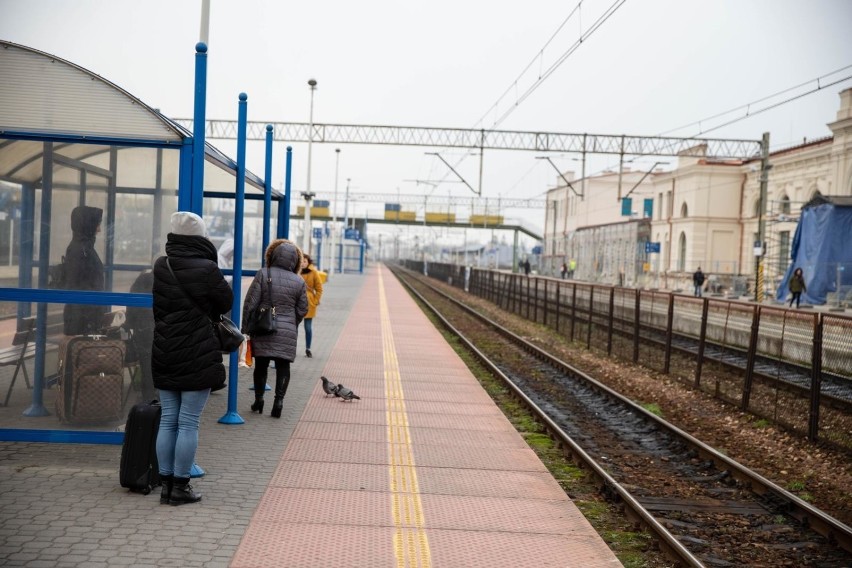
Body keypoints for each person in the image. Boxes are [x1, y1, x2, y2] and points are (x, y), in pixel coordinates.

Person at [151, 212, 233, 506]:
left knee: (169, 420)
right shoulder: (208, 268)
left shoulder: (162, 266)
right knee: (188, 422)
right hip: (198, 350)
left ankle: (165, 486)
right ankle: (181, 487)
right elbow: (226, 302)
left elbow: (159, 308)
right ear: (201, 237)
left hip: (165, 349)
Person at [242, 239, 308, 418]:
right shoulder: (299, 281)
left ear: (273, 256)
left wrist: (246, 328)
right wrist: (291, 323)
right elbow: (303, 309)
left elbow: (250, 303)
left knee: (261, 365)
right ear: (295, 260)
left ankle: (259, 400)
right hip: (287, 331)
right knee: (283, 366)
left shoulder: (263, 274)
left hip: (263, 328)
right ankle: (279, 402)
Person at [63, 205, 108, 335]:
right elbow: (78, 285)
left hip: (85, 317)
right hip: (82, 320)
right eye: (96, 225)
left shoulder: (84, 248)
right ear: (87, 225)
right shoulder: (80, 250)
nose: (99, 230)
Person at [125, 268, 155, 402]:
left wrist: (129, 323)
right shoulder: (173, 279)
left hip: (145, 329)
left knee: (147, 363)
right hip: (166, 330)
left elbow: (132, 303)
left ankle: (149, 397)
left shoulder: (143, 279)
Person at [299, 253, 323, 358]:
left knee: (308, 327)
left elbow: (319, 289)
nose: (303, 263)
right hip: (297, 301)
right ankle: (291, 348)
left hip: (309, 303)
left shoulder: (314, 273)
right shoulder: (296, 271)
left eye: (305, 261)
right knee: (292, 327)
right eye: (301, 261)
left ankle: (308, 348)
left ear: (308, 262)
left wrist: (316, 301)